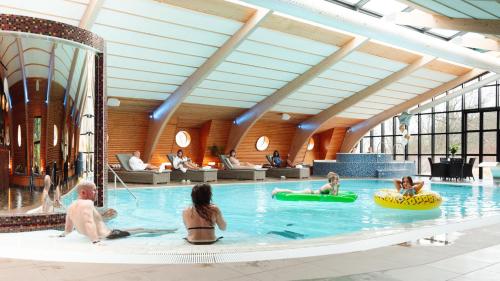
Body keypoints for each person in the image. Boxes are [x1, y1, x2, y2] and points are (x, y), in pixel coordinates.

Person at [59, 181, 176, 243]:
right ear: (83, 192)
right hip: (109, 236)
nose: (96, 192)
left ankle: (168, 230)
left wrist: (62, 235)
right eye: (94, 190)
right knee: (142, 229)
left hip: (106, 233)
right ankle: (170, 231)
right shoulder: (88, 204)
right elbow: (89, 222)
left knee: (137, 229)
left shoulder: (71, 206)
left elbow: (68, 229)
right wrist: (95, 242)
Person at [272, 172, 340, 197]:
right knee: (293, 192)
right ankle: (277, 190)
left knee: (294, 192)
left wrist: (336, 187)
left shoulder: (331, 185)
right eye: (336, 179)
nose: (337, 181)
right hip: (310, 193)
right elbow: (334, 196)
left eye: (338, 179)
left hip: (311, 192)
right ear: (332, 180)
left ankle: (278, 190)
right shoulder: (329, 186)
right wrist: (337, 187)